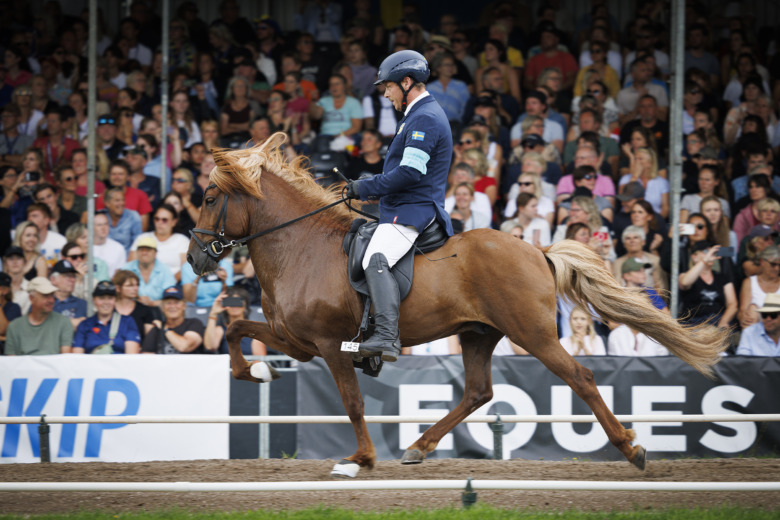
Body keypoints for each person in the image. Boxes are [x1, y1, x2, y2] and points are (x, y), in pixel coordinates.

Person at [344, 50, 453, 362]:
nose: (386, 93)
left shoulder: (425, 118)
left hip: (412, 210)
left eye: (389, 86)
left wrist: (364, 187)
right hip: (399, 206)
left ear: (407, 82)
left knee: (375, 259)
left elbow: (409, 173)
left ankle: (387, 337)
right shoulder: (415, 116)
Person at [4, 276, 73, 355]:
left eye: (52, 295)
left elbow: (65, 360)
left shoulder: (63, 323)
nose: (51, 300)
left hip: (54, 367)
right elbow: (11, 362)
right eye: (45, 295)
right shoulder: (14, 327)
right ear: (31, 298)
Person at [678, 241, 738, 328]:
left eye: (712, 252)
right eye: (705, 252)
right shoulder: (685, 275)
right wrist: (704, 260)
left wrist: (723, 322)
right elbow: (684, 282)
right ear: (694, 257)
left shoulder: (722, 277)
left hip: (717, 321)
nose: (710, 255)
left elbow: (732, 304)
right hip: (693, 323)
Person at [72, 281, 141, 355]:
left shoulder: (127, 322)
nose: (106, 302)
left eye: (110, 298)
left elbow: (131, 356)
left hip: (119, 365)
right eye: (101, 298)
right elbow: (77, 357)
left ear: (115, 300)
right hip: (91, 365)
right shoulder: (85, 325)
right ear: (94, 300)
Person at [128, 203, 189, 279]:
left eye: (164, 220)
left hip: (174, 284)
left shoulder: (182, 241)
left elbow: (186, 269)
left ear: (174, 222)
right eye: (157, 219)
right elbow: (131, 265)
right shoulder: (142, 238)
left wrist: (168, 282)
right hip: (142, 283)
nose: (160, 222)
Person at [141, 286, 206, 354]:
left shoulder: (194, 323)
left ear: (184, 306)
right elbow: (146, 356)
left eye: (176, 302)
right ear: (162, 308)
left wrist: (165, 329)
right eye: (168, 303)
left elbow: (184, 347)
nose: (172, 306)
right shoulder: (156, 329)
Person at [204, 286, 266, 355]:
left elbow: (259, 360)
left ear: (245, 305)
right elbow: (210, 346)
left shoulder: (255, 331)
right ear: (225, 305)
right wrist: (213, 313)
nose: (234, 306)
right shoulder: (221, 330)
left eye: (238, 301)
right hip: (226, 365)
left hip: (250, 365)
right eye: (230, 302)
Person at [121, 235, 176, 306]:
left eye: (148, 250)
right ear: (137, 252)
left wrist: (153, 303)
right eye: (141, 250)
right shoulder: (127, 268)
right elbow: (119, 293)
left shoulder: (165, 270)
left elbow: (171, 296)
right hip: (131, 307)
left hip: (158, 309)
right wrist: (137, 300)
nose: (144, 253)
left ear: (155, 253)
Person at [738, 246, 780, 330]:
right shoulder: (749, 282)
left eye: (779, 265)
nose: (777, 268)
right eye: (773, 264)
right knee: (752, 309)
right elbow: (743, 310)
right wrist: (744, 317)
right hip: (756, 328)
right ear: (762, 262)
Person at [113, 269, 156, 340]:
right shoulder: (109, 309)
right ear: (118, 288)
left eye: (137, 285)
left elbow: (150, 340)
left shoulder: (144, 310)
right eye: (130, 286)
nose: (136, 288)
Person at [49, 259, 87, 329]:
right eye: (67, 276)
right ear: (53, 280)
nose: (73, 280)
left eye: (74, 276)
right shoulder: (42, 302)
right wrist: (72, 323)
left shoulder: (82, 304)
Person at [104, 187, 142, 252]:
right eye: (117, 200)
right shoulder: (101, 217)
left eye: (123, 200)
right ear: (107, 203)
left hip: (126, 259)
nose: (121, 203)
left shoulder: (133, 216)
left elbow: (137, 243)